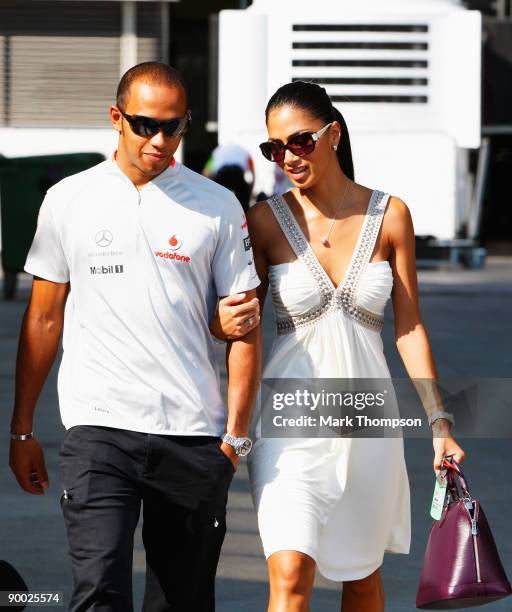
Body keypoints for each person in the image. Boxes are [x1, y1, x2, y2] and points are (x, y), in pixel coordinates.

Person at [8, 61, 261, 612]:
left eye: (175, 126)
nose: (161, 139)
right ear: (116, 118)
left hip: (193, 434)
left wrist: (235, 438)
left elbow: (244, 326)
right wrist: (22, 429)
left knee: (181, 602)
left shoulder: (216, 205)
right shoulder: (68, 199)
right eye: (146, 124)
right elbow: (43, 319)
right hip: (98, 430)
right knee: (99, 592)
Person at [211, 81, 466, 612]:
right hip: (287, 424)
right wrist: (222, 335)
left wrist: (440, 426)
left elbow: (409, 328)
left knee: (363, 581)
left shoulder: (390, 215)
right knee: (289, 575)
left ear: (333, 134)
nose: (287, 156)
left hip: (367, 422)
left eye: (299, 141)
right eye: (274, 148)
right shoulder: (263, 221)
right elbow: (241, 329)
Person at [203, 143, 255, 212]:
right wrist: (250, 191)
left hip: (222, 174)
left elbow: (206, 172)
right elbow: (253, 173)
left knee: (218, 202)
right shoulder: (245, 151)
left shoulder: (217, 151)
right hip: (237, 174)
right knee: (243, 203)